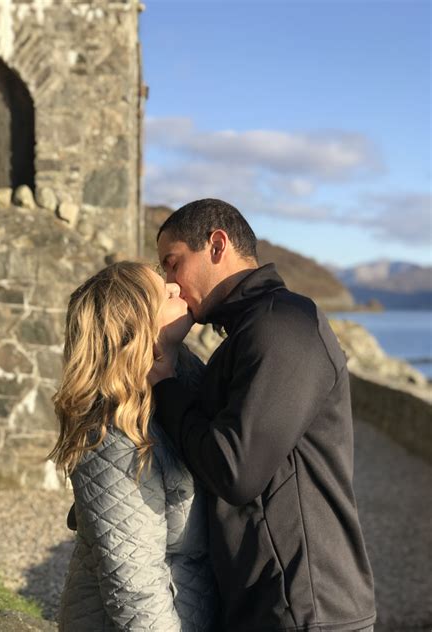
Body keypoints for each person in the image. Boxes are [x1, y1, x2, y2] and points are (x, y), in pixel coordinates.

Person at [151, 199, 376, 632]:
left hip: (305, 609)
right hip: (277, 604)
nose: (171, 284)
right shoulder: (255, 328)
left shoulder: (283, 326)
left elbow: (235, 470)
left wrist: (163, 387)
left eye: (172, 263)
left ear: (217, 245)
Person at [49, 261, 218, 632]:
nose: (176, 287)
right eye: (163, 290)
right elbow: (133, 588)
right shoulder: (110, 434)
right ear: (136, 325)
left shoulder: (185, 381)